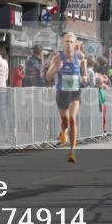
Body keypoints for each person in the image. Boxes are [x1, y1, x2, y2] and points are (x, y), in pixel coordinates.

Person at [44, 32, 86, 163]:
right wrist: (55, 69)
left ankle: (72, 152)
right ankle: (63, 132)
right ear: (63, 43)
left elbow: (85, 76)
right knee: (65, 122)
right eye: (66, 41)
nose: (68, 44)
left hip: (75, 92)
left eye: (71, 41)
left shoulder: (80, 57)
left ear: (75, 44)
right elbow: (48, 76)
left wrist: (85, 77)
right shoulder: (58, 57)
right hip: (61, 93)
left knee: (73, 119)